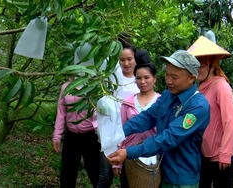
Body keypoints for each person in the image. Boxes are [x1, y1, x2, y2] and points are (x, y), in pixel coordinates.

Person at [107, 50, 211, 188]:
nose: (168, 81)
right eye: (167, 75)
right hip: (160, 169)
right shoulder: (169, 95)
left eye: (174, 77)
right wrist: (119, 133)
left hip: (180, 177)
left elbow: (169, 138)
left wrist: (129, 152)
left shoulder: (198, 107)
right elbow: (148, 116)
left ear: (191, 78)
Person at [187, 36, 233, 188]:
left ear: (211, 65)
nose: (197, 70)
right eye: (194, 66)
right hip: (204, 152)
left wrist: (225, 153)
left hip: (220, 154)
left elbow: (231, 120)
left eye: (201, 65)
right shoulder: (201, 87)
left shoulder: (221, 86)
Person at [52, 45, 101, 188]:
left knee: (95, 172)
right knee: (68, 173)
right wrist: (57, 135)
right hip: (71, 136)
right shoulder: (66, 87)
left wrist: (100, 136)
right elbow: (61, 112)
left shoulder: (93, 86)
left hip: (90, 136)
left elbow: (97, 113)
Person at [113, 50, 161, 187]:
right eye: (138, 78)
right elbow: (122, 131)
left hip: (154, 158)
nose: (142, 81)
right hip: (129, 157)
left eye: (147, 77)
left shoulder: (162, 102)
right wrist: (117, 163)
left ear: (155, 78)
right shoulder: (127, 102)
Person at [97, 33, 139, 188]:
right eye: (122, 60)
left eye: (130, 59)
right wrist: (99, 128)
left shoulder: (140, 80)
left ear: (135, 59)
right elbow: (101, 104)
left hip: (131, 134)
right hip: (110, 132)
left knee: (128, 178)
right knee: (106, 175)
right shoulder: (111, 79)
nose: (126, 63)